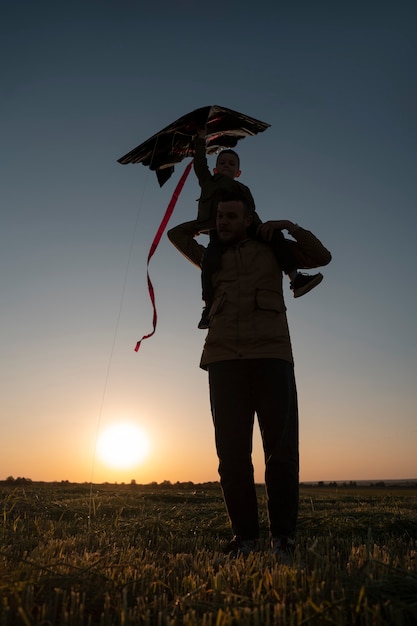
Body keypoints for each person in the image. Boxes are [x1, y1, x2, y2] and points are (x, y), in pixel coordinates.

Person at [167, 190, 332, 558]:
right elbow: (176, 235)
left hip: (272, 357)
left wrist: (289, 226)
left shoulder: (273, 248)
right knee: (231, 456)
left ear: (249, 219)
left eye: (230, 217)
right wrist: (206, 220)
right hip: (224, 361)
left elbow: (322, 256)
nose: (223, 223)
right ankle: (245, 539)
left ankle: (283, 538)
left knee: (282, 452)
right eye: (219, 217)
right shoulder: (212, 256)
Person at [192, 129, 323, 329]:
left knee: (274, 235)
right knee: (209, 262)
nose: (226, 165)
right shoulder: (209, 182)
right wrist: (200, 141)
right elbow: (200, 165)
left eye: (231, 164)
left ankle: (295, 279)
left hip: (248, 227)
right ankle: (208, 306)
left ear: (238, 172)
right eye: (222, 163)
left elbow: (251, 211)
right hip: (220, 232)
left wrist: (264, 227)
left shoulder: (243, 189)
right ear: (215, 169)